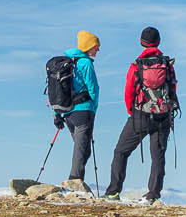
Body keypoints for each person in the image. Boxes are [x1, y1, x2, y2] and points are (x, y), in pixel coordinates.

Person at [102, 26, 179, 203]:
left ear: (141, 43)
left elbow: (128, 90)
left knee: (121, 151)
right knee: (158, 156)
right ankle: (153, 194)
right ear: (158, 42)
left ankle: (113, 191)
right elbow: (173, 87)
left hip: (140, 115)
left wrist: (132, 110)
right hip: (163, 115)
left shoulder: (136, 65)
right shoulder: (167, 64)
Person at [55, 31, 102, 189]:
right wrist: (94, 108)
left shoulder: (67, 63)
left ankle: (75, 181)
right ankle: (74, 182)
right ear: (89, 47)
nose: (98, 50)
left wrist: (57, 114)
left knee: (82, 148)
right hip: (84, 111)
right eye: (96, 46)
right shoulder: (85, 64)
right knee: (82, 149)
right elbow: (93, 88)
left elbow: (58, 91)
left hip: (68, 114)